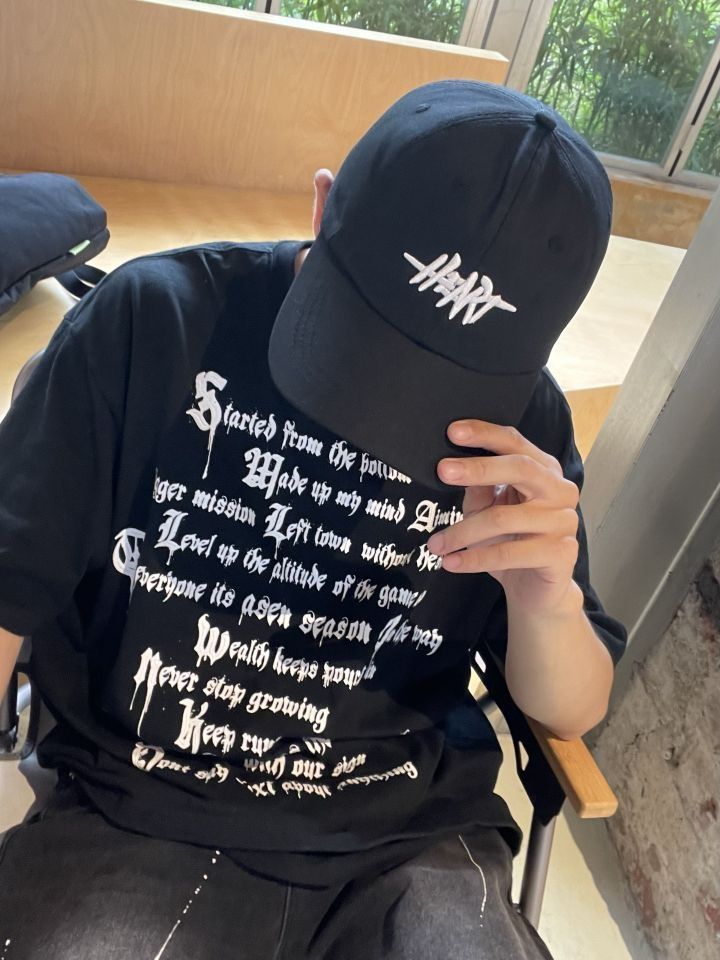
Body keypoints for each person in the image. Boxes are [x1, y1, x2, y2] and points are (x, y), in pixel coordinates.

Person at [0, 80, 626, 959]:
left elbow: (572, 712)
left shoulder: (525, 424)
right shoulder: (155, 321)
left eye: (439, 377)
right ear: (324, 207)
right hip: (139, 810)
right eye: (366, 340)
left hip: (409, 840)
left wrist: (545, 600)